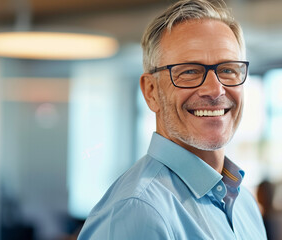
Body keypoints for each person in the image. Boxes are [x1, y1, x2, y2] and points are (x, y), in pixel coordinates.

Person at [77, 0, 267, 239]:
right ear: (151, 92)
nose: (215, 89)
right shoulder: (138, 211)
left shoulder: (245, 206)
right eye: (189, 71)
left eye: (228, 69)